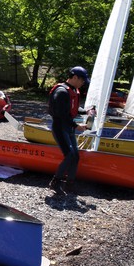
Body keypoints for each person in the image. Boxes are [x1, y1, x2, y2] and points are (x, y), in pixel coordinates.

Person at [48, 66, 89, 196]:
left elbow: (72, 108)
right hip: (60, 127)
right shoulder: (61, 92)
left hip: (67, 127)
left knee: (75, 156)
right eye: (82, 80)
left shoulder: (71, 90)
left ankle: (69, 184)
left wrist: (86, 111)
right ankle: (55, 182)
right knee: (70, 155)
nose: (83, 83)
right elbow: (61, 114)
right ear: (75, 77)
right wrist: (76, 126)